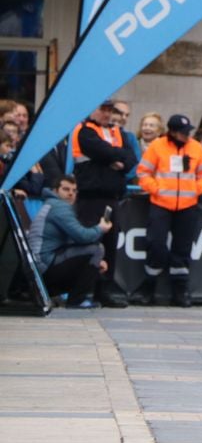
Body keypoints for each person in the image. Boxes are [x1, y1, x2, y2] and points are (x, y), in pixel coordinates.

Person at [134, 115, 202, 307]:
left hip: (187, 205)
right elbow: (143, 172)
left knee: (182, 248)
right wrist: (156, 189)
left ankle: (180, 290)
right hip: (161, 204)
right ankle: (148, 287)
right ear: (173, 132)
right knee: (156, 244)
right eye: (184, 132)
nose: (187, 136)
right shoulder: (157, 146)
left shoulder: (196, 147)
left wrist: (196, 190)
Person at [71, 99, 137, 308]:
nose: (107, 115)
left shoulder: (118, 133)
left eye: (110, 111)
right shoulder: (85, 130)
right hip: (91, 197)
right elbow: (100, 150)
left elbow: (130, 158)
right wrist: (113, 159)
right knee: (90, 243)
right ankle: (85, 290)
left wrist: (114, 159)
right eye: (104, 110)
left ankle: (104, 290)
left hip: (112, 195)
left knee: (110, 245)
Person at [27, 175, 111, 308]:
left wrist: (95, 262)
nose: (71, 193)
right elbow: (82, 236)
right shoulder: (59, 207)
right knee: (97, 249)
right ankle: (77, 301)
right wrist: (100, 228)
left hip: (39, 268)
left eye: (74, 190)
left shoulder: (51, 204)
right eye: (66, 189)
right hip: (43, 268)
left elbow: (72, 241)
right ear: (55, 191)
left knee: (93, 259)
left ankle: (61, 295)